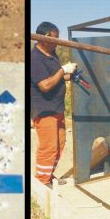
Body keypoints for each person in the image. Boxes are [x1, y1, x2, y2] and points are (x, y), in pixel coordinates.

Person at [30, 22, 77, 188]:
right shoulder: (34, 58)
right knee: (48, 147)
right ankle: (41, 182)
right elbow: (45, 85)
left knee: (60, 144)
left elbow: (54, 78)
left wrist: (69, 75)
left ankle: (48, 175)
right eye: (54, 39)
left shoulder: (52, 54)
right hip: (44, 109)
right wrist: (63, 70)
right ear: (44, 38)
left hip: (56, 107)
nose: (57, 42)